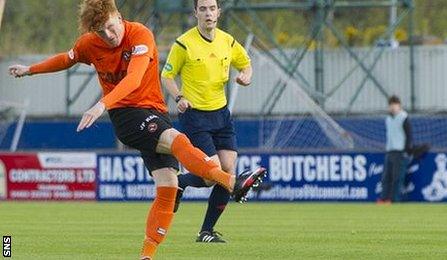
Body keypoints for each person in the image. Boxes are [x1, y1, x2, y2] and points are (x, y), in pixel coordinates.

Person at [7, 0, 265, 259]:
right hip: (126, 115)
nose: (108, 36)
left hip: (155, 112)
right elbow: (67, 58)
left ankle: (146, 255)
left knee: (168, 184)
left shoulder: (140, 34)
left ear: (119, 17)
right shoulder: (88, 43)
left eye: (110, 27)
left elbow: (133, 78)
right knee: (177, 140)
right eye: (100, 32)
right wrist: (30, 70)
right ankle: (233, 182)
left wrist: (99, 106)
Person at [160, 0, 253, 244]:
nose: (208, 13)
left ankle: (206, 232)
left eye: (212, 8)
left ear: (219, 12)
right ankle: (180, 182)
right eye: (203, 9)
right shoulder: (183, 43)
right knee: (214, 175)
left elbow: (246, 63)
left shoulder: (228, 41)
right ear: (195, 13)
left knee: (227, 170)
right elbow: (167, 75)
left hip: (221, 114)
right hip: (195, 116)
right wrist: (178, 96)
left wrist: (245, 76)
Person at [379, 95, 413, 203]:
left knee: (397, 178)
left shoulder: (403, 117)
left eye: (395, 105)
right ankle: (383, 198)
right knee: (386, 177)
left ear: (399, 106)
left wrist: (407, 150)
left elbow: (409, 135)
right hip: (390, 151)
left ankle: (394, 200)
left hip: (400, 151)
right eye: (391, 105)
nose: (392, 107)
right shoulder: (388, 119)